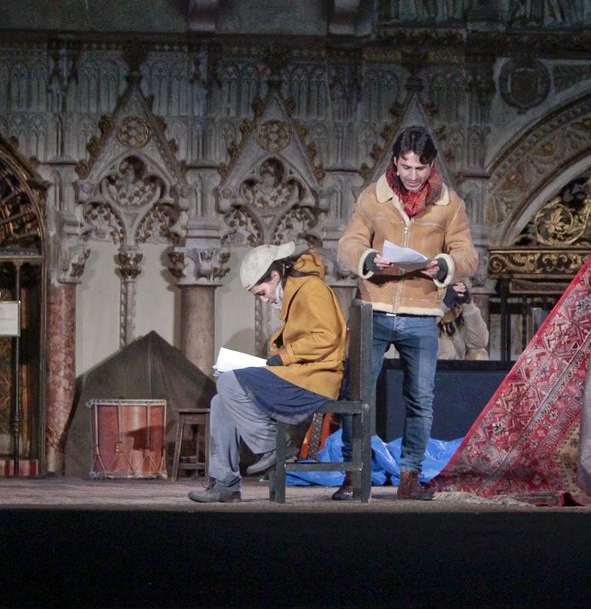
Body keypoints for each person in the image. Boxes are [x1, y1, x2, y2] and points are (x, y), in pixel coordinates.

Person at [336, 126, 478, 501]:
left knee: (420, 398)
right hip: (374, 308)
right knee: (358, 393)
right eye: (406, 167)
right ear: (395, 163)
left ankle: (410, 474)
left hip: (421, 310)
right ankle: (354, 473)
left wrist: (445, 265)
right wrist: (368, 258)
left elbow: (468, 255)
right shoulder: (373, 199)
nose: (412, 176)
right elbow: (348, 244)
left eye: (420, 168)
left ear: (431, 166)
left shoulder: (450, 204)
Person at [189, 242, 347, 503]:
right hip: (301, 376)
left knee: (229, 382)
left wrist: (284, 356)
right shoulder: (296, 292)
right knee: (221, 402)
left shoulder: (311, 290)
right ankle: (225, 483)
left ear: (274, 276)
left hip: (315, 382)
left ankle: (272, 445)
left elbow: (327, 337)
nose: (264, 299)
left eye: (262, 292)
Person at [438, 281, 490, 361]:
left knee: (480, 354)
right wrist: (444, 305)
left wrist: (468, 305)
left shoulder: (458, 321)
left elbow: (479, 343)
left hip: (456, 369)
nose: (457, 307)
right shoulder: (428, 317)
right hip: (433, 368)